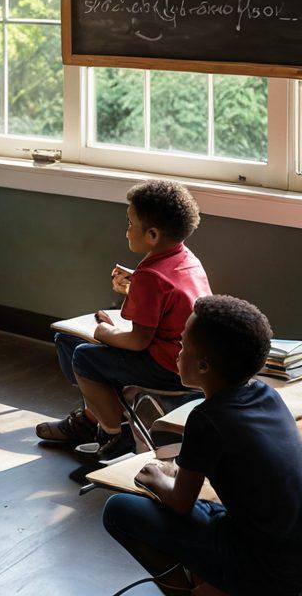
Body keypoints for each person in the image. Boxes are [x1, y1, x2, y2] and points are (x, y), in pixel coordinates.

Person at [103, 295, 302, 596]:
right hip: (289, 550)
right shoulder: (267, 395)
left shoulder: (207, 419)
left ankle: (186, 591)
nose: (178, 353)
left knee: (118, 510)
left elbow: (180, 504)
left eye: (183, 346)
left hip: (265, 569)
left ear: (204, 365)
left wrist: (156, 478)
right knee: (206, 509)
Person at [36, 180, 211, 462]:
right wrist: (135, 288)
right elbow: (167, 299)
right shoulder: (186, 258)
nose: (126, 229)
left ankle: (115, 433)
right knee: (66, 340)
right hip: (188, 360)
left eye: (130, 223)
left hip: (169, 368)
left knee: (83, 356)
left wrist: (105, 332)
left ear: (152, 234)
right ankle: (94, 416)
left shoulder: (151, 276)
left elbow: (138, 341)